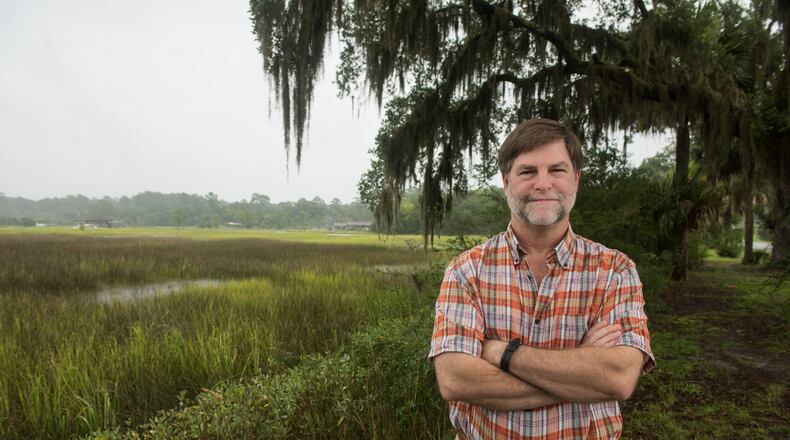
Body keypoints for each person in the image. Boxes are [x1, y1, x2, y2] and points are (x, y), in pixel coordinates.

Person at [428, 118, 655, 439]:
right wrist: (582, 376)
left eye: (557, 170)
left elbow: (618, 379)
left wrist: (500, 353)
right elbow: (455, 380)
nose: (543, 183)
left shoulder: (615, 270)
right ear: (506, 182)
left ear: (576, 180)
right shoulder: (466, 270)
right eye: (528, 171)